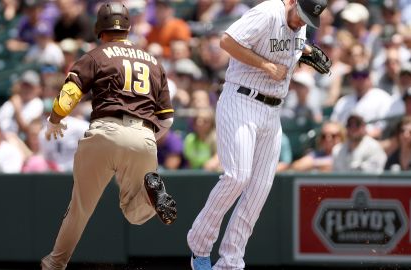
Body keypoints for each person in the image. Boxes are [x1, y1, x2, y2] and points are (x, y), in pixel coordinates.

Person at [187, 0, 328, 269]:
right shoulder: (268, 12)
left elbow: (286, 47)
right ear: (292, 1)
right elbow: (227, 41)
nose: (302, 22)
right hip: (242, 99)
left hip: (273, 111)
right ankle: (200, 246)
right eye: (302, 15)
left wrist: (307, 51)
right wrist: (265, 66)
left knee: (259, 190)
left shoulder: (299, 24)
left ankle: (231, 262)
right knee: (236, 176)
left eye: (309, 20)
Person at [40, 3, 177, 269]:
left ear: (99, 29)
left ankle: (55, 265)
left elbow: (68, 97)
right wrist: (144, 138)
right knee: (135, 213)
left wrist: (54, 119)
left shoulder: (95, 56)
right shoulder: (153, 61)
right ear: (128, 27)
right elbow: (167, 119)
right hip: (144, 135)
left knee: (79, 210)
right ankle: (152, 196)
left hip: (104, 132)